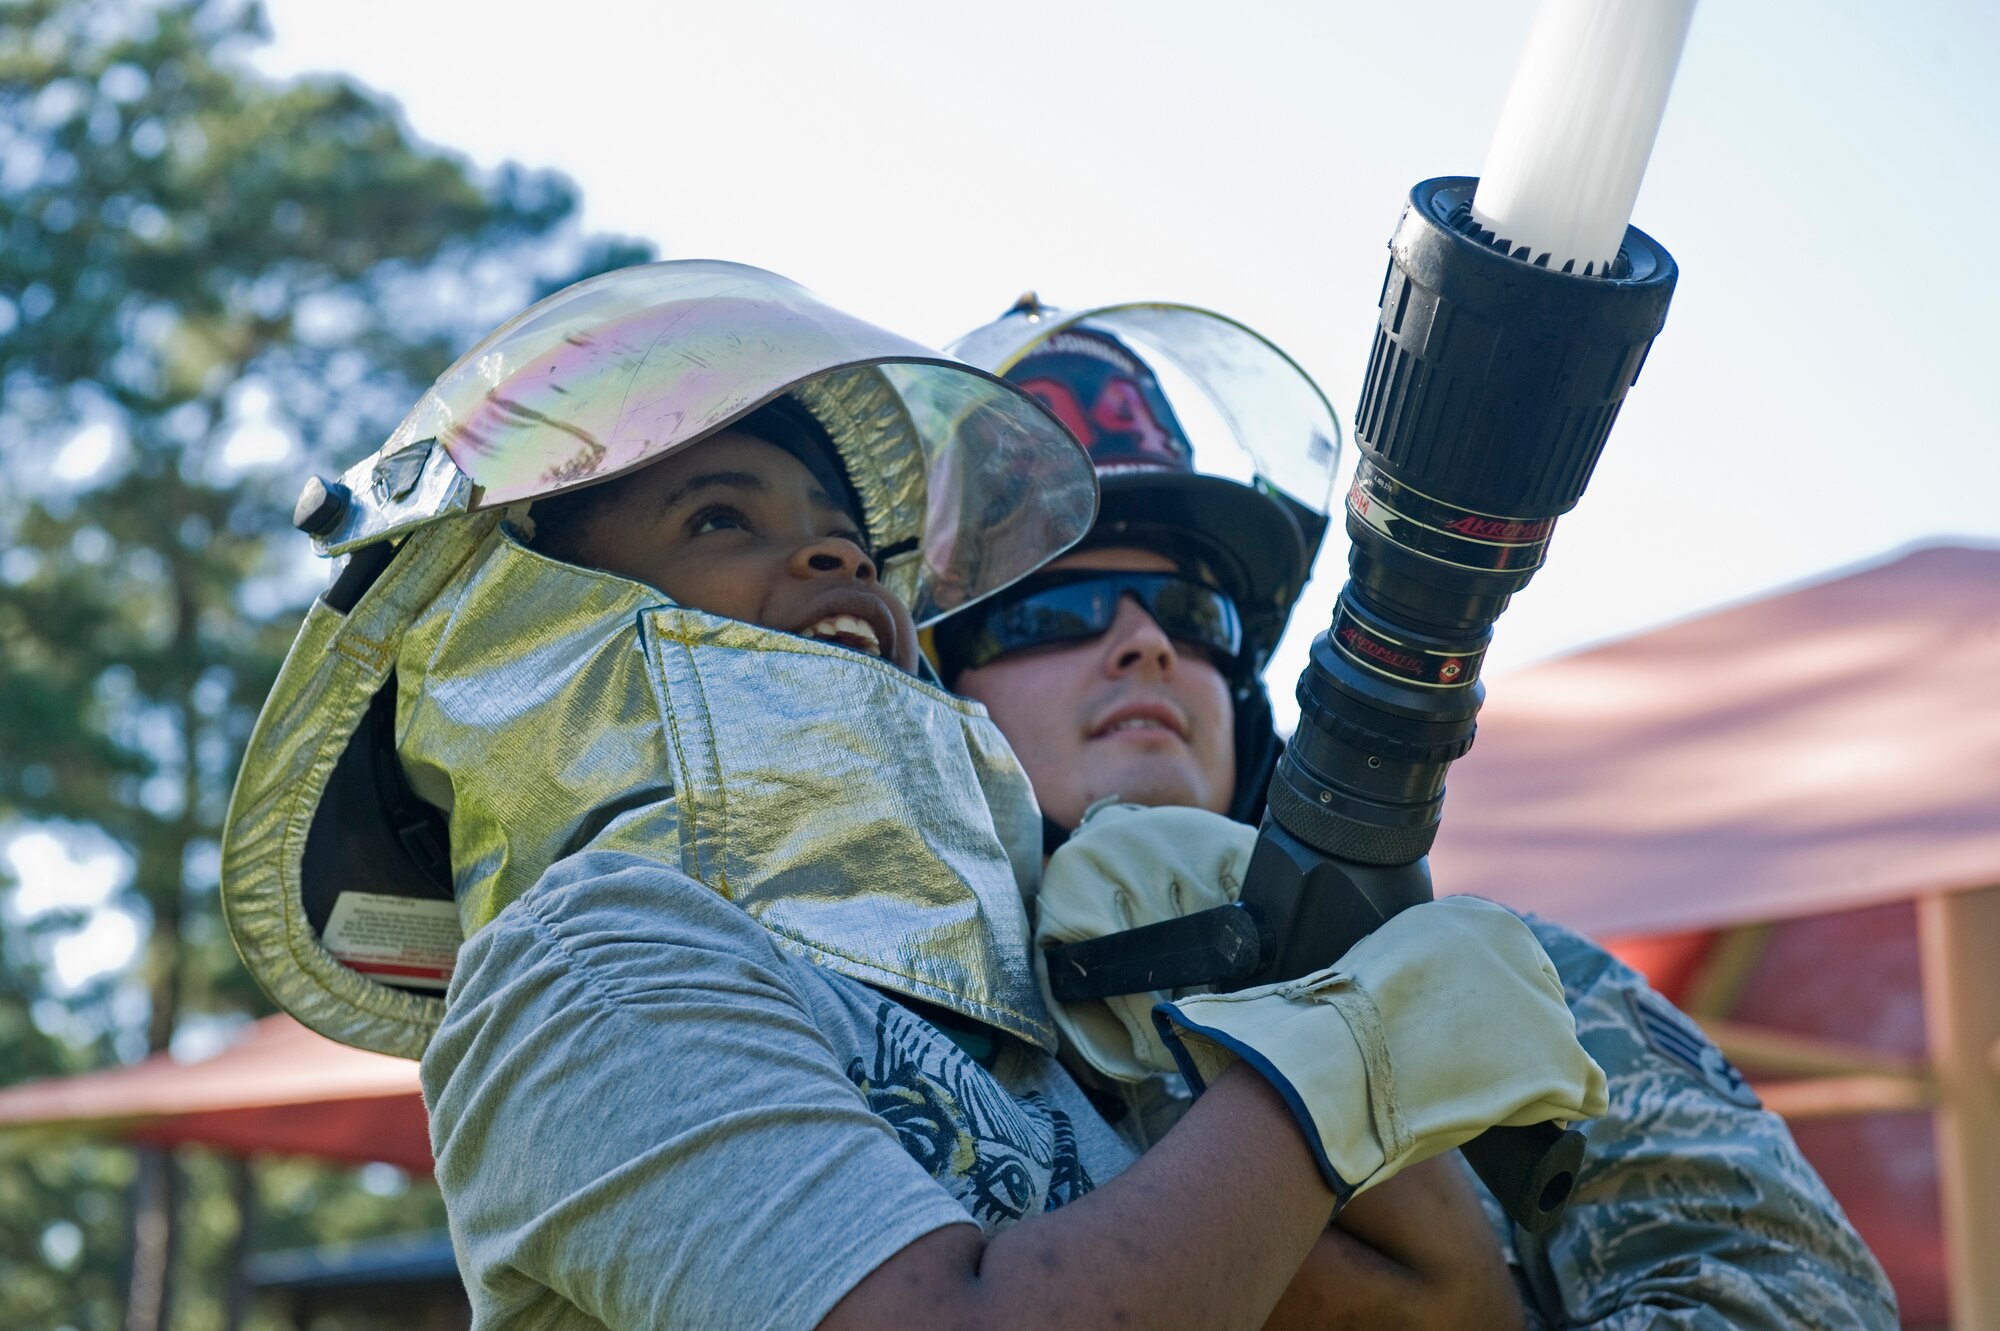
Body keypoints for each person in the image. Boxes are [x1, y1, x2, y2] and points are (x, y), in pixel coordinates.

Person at [220, 262, 1605, 1330]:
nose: (836, 556)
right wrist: (1332, 1065)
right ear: (530, 624)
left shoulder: (1027, 990)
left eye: (847, 538)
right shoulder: (586, 966)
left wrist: (1257, 998)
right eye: (722, 513)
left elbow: (1445, 1314)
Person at [936, 296, 1902, 1329]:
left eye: (1192, 611)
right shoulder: (869, 1028)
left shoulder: (1514, 986)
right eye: (1055, 609)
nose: (1145, 643)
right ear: (937, 684)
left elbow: (1789, 1298)